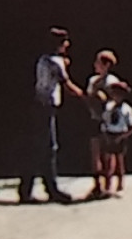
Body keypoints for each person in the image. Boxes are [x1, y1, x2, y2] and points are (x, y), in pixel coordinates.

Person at [19, 26, 84, 204]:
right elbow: (67, 84)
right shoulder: (56, 62)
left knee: (42, 147)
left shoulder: (43, 59)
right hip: (46, 107)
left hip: (38, 104)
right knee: (47, 147)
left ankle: (34, 188)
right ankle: (47, 189)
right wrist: (85, 96)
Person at [84, 49, 122, 200]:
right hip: (94, 118)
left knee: (108, 153)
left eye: (98, 63)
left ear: (106, 65)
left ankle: (108, 184)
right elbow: (88, 97)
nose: (95, 65)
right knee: (95, 153)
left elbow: (117, 99)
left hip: (107, 120)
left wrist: (105, 99)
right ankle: (97, 185)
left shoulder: (112, 81)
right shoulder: (92, 81)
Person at [99, 81, 132, 196]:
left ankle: (120, 186)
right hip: (109, 134)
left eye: (118, 94)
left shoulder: (126, 109)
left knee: (119, 160)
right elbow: (104, 121)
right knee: (107, 161)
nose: (116, 96)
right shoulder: (108, 106)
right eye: (114, 93)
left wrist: (122, 137)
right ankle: (107, 186)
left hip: (120, 135)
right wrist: (105, 134)